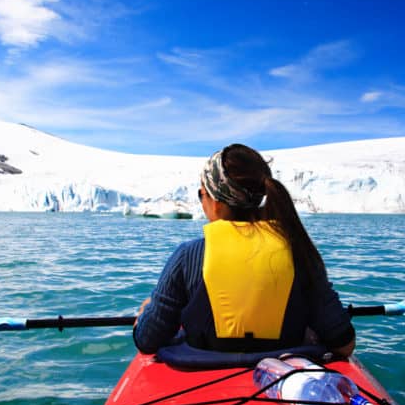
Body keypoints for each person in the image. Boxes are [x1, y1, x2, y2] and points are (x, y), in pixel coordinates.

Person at [133, 144, 355, 357]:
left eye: (202, 194)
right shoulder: (299, 252)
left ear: (217, 202)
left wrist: (147, 312)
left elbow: (147, 340)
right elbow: (344, 344)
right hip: (282, 378)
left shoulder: (188, 256)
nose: (202, 202)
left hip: (205, 380)